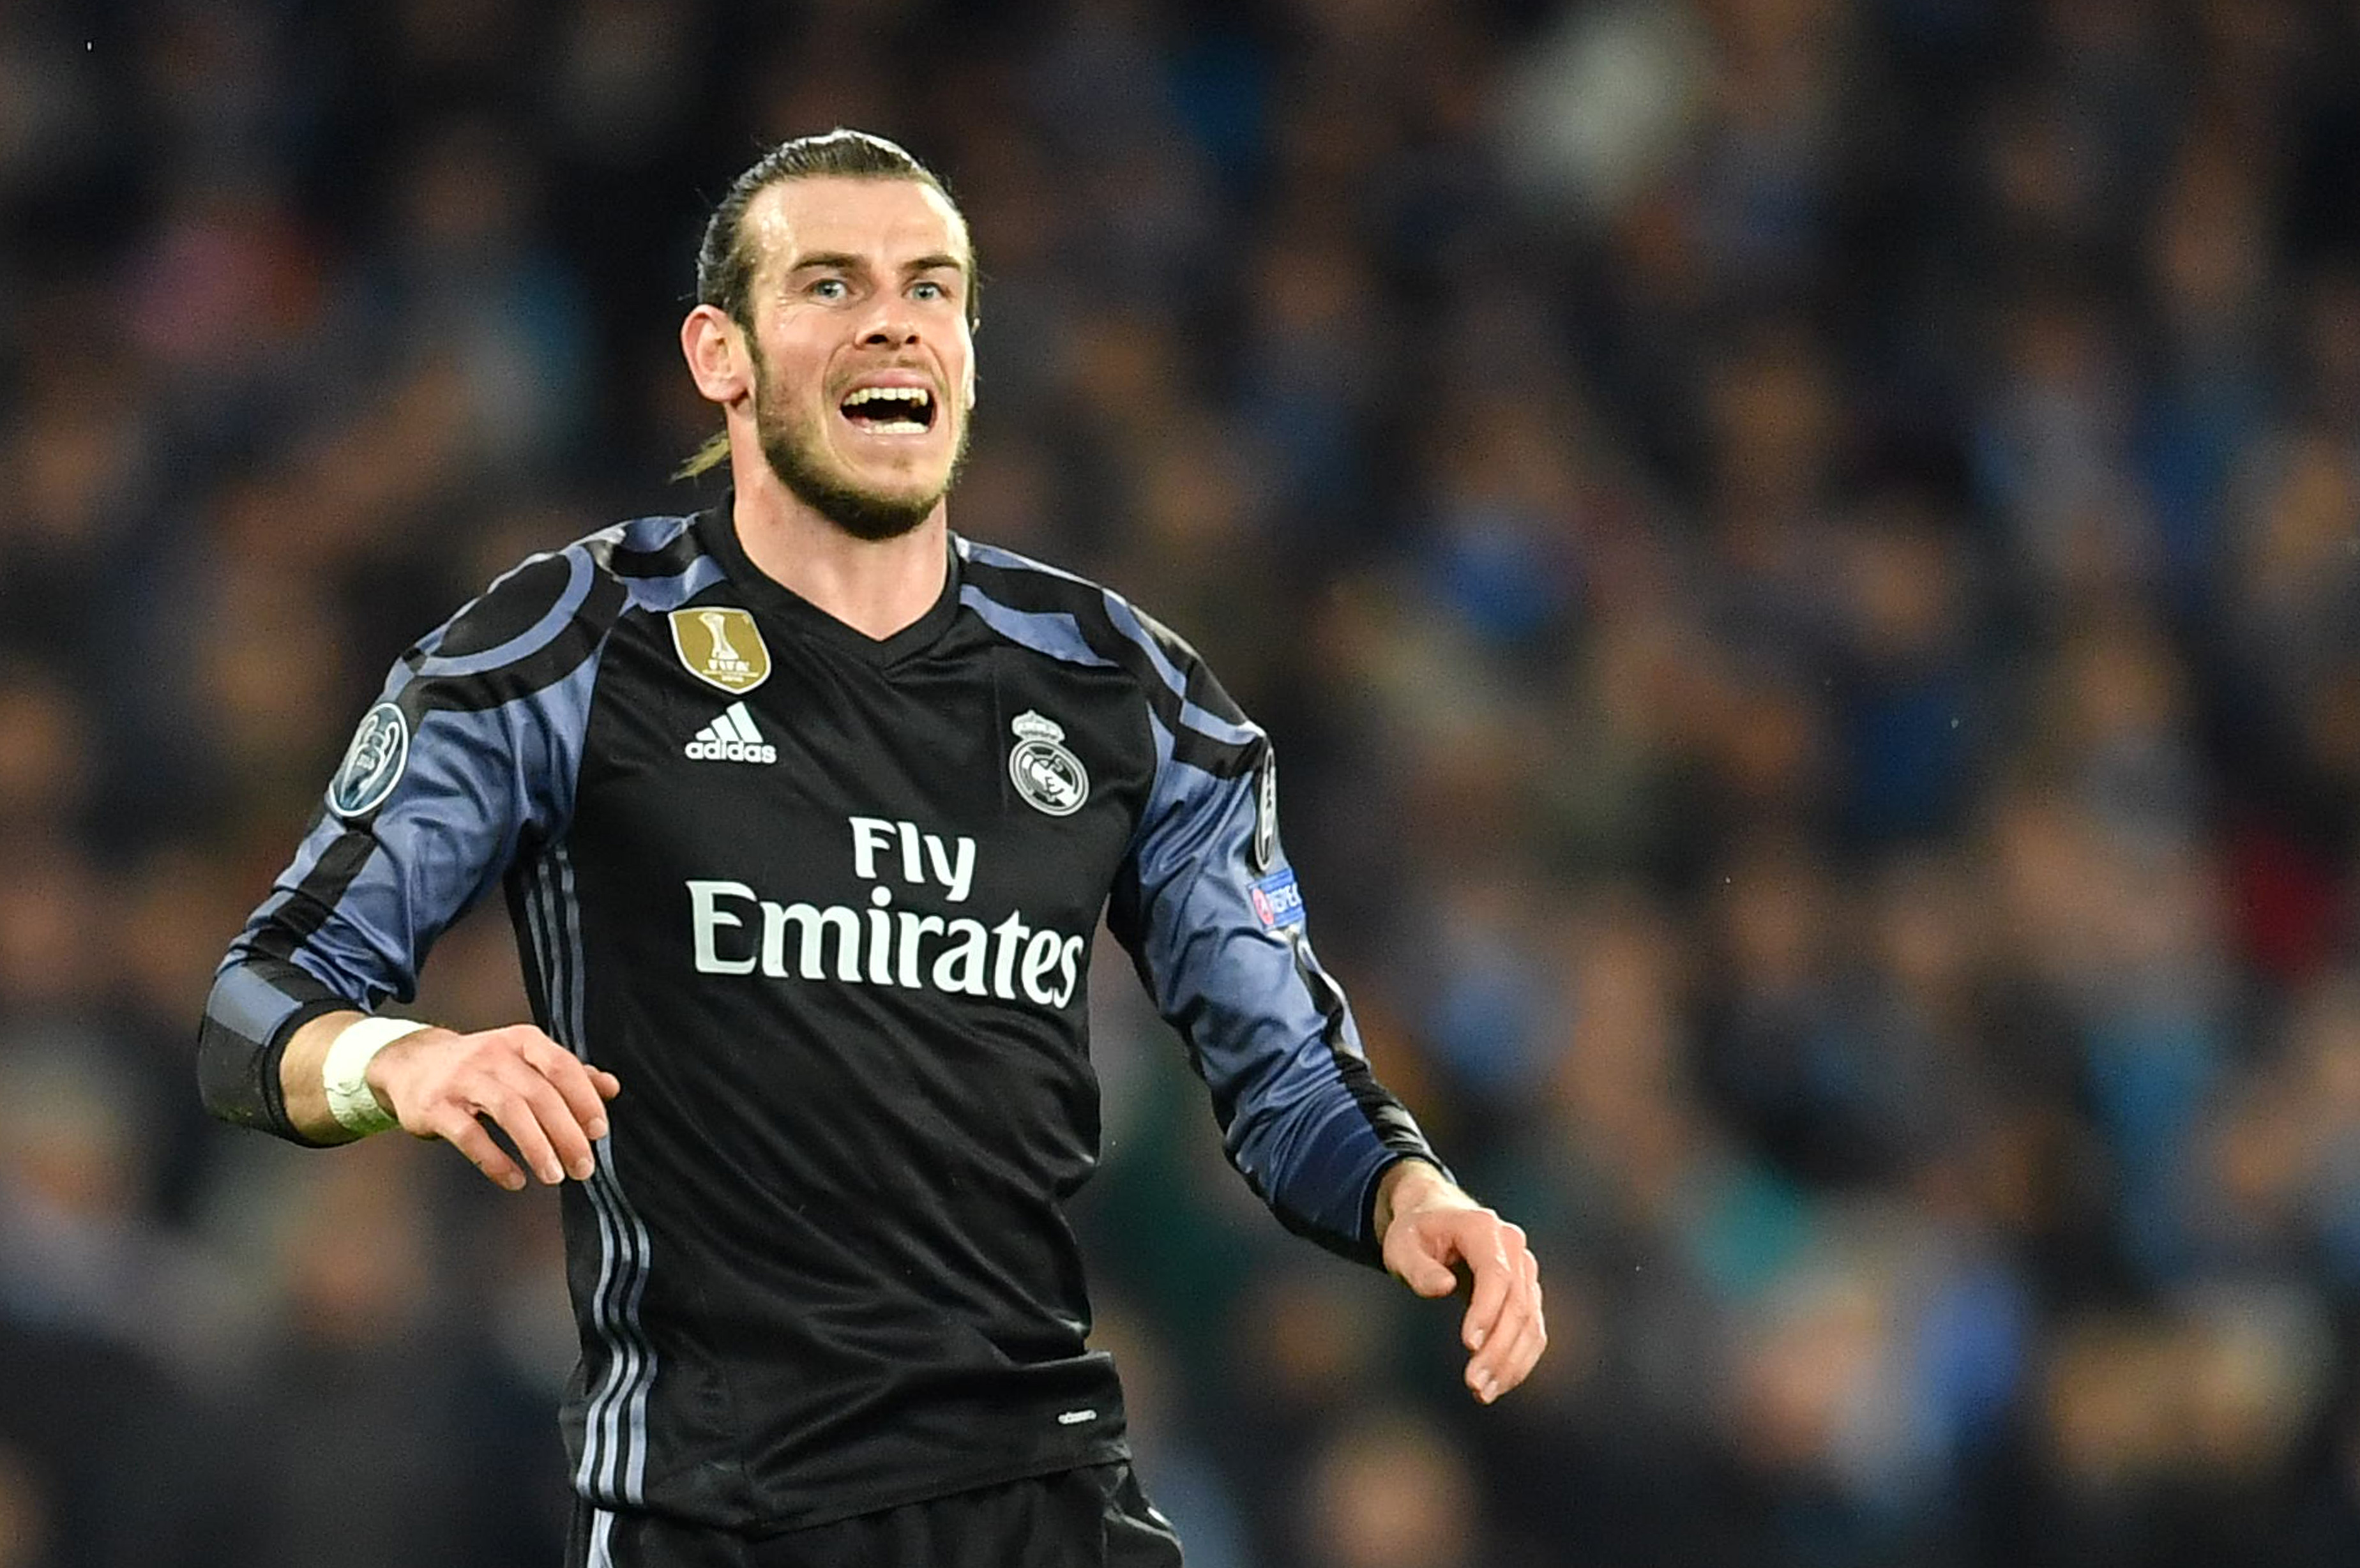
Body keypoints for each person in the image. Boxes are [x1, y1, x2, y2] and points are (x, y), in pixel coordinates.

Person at [198, 129, 1545, 1567]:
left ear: (969, 348)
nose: (892, 317)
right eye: (830, 285)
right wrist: (403, 1060)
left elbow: (1281, 1065)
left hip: (1043, 1500)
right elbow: (253, 1005)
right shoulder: (571, 646)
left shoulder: (1123, 690)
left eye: (932, 287)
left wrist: (1412, 1187)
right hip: (714, 1516)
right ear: (722, 354)